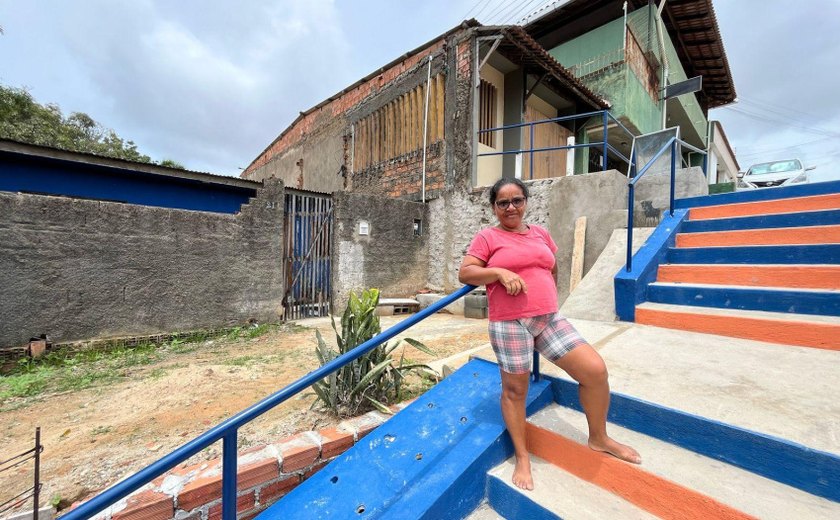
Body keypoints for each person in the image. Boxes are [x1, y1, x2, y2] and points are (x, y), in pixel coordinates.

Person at [458, 177, 641, 490]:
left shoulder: (540, 233)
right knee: (516, 391)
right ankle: (523, 456)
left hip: (547, 319)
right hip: (509, 323)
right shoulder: (488, 237)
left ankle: (599, 438)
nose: (511, 207)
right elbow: (466, 272)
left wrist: (547, 294)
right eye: (503, 203)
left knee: (595, 371)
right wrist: (499, 272)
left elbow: (552, 267)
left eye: (517, 200)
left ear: (526, 202)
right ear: (494, 208)